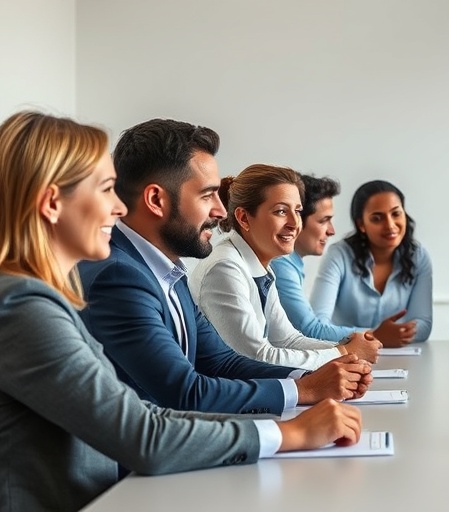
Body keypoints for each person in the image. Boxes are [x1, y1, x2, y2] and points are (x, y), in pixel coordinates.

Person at [0, 111, 363, 511]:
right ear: (53, 203)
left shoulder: (46, 294)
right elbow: (145, 432)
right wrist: (288, 434)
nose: (119, 208)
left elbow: (151, 410)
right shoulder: (23, 306)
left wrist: (296, 410)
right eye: (106, 190)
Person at [78, 118, 372, 415]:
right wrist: (305, 390)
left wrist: (311, 379)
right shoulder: (118, 276)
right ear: (156, 199)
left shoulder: (169, 269)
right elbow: (185, 392)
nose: (220, 211)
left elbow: (221, 362)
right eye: (207, 195)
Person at [189, 164, 381, 368]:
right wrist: (344, 352)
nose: (294, 223)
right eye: (281, 211)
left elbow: (287, 340)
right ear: (244, 218)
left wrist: (344, 350)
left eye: (297, 211)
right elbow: (256, 357)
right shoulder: (225, 267)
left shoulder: (261, 265)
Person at [272, 174, 411, 344]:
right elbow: (310, 330)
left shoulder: (290, 262)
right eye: (324, 221)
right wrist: (374, 334)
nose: (331, 231)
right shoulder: (280, 263)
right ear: (296, 220)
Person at [310, 180, 433, 345]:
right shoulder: (339, 255)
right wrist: (375, 335)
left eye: (396, 214)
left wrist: (400, 333)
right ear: (361, 224)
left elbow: (423, 325)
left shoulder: (418, 256)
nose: (390, 225)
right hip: (346, 356)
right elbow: (318, 325)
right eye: (377, 218)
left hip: (400, 359)